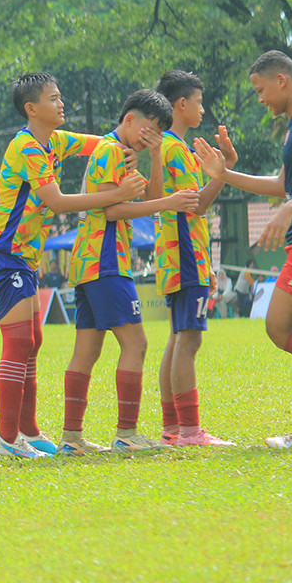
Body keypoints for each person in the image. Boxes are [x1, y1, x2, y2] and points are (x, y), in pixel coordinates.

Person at [0, 72, 146, 458]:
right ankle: (6, 439)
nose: (62, 104)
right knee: (19, 342)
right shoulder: (27, 147)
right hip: (6, 253)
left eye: (60, 97)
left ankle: (29, 432)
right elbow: (56, 202)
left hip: (25, 257)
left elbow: (101, 143)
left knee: (33, 342)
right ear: (31, 108)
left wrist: (126, 149)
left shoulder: (55, 140)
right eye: (54, 98)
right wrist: (119, 193)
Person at [60, 89, 199, 455]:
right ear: (129, 119)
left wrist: (155, 156)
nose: (150, 137)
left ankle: (71, 439)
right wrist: (169, 202)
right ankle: (126, 434)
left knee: (87, 350)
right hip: (106, 259)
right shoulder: (109, 150)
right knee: (136, 344)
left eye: (158, 133)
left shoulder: (122, 152)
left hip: (90, 261)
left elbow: (147, 199)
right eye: (149, 129)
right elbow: (113, 210)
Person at [194, 49, 292, 448]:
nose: (260, 98)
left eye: (261, 90)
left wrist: (291, 208)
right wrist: (224, 174)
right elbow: (283, 185)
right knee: (278, 327)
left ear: (282, 80)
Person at [153, 69, 238, 447]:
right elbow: (198, 205)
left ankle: (173, 429)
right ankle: (190, 430)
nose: (203, 109)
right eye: (199, 102)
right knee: (188, 340)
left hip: (178, 256)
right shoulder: (174, 149)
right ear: (181, 104)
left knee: (177, 338)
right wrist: (225, 171)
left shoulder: (172, 148)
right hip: (186, 257)